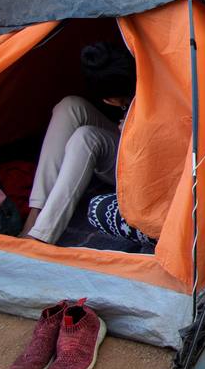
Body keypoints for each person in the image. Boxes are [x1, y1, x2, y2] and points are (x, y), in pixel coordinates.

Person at [19, 42, 134, 244]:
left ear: (109, 100)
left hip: (146, 162)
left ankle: (40, 238)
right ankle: (35, 213)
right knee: (70, 106)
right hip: (129, 134)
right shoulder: (133, 69)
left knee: (86, 137)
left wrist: (136, 129)